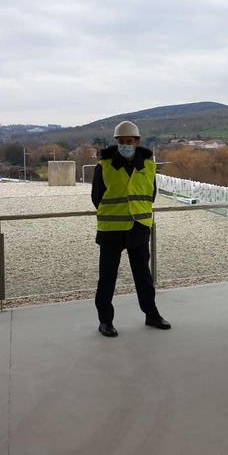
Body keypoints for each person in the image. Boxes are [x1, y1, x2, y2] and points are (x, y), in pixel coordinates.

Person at [91, 120, 170, 337]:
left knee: (143, 276)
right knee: (107, 278)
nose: (126, 144)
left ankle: (151, 314)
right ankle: (105, 321)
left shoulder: (148, 166)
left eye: (130, 141)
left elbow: (150, 195)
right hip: (111, 230)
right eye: (122, 141)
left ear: (137, 142)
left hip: (138, 228)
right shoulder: (104, 165)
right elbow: (96, 197)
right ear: (117, 142)